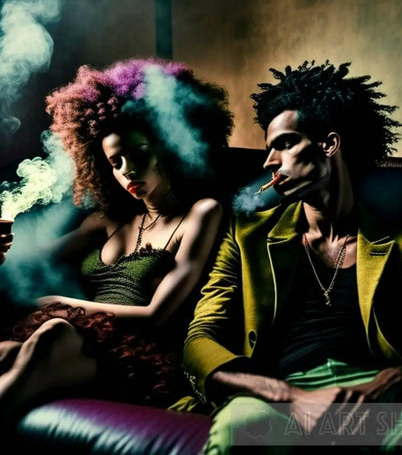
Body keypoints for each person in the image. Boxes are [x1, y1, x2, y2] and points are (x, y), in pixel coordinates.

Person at [182, 60, 402, 453]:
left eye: (284, 143)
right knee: (238, 428)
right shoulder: (247, 236)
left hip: (380, 399)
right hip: (280, 402)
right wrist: (287, 395)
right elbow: (199, 340)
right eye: (269, 148)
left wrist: (395, 378)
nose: (269, 162)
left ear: (328, 144)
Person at [0, 57, 233, 423]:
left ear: (167, 147)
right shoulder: (105, 221)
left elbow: (156, 316)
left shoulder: (201, 213)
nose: (128, 171)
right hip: (78, 341)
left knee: (54, 333)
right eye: (116, 162)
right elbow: (31, 262)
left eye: (138, 154)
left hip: (133, 356)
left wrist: (60, 305)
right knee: (5, 350)